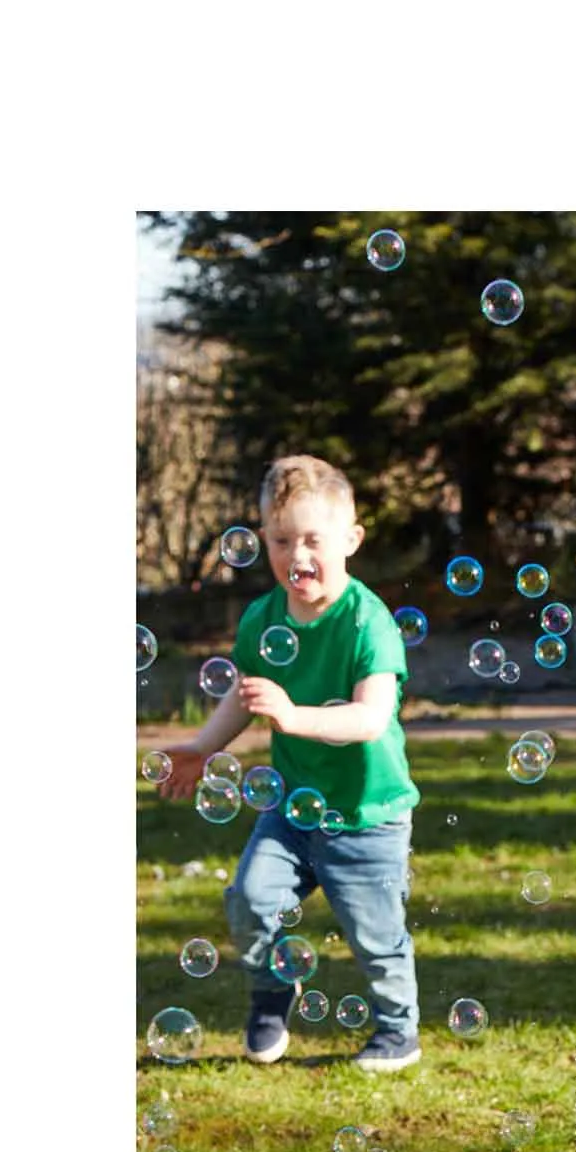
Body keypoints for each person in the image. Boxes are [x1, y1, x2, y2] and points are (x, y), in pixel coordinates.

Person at [159, 455, 422, 1071]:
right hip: (293, 808)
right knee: (249, 898)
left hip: (368, 815)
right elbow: (245, 693)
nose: (296, 555)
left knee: (377, 940)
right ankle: (274, 989)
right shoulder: (263, 617)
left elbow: (369, 719)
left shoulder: (368, 622)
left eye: (312, 539)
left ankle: (397, 1033)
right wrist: (202, 748)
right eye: (281, 540)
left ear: (351, 540)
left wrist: (293, 715)